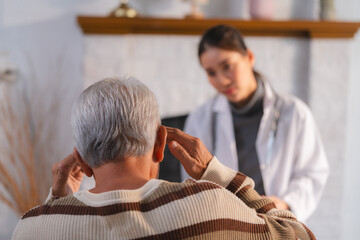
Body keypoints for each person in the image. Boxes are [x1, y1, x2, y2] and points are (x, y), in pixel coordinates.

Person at [12, 77, 315, 240]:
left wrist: (57, 206)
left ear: (83, 160)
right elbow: (300, 235)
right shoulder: (211, 206)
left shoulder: (31, 229)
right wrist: (219, 176)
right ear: (161, 145)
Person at [183, 24, 329, 221]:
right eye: (211, 73)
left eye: (227, 66)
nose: (222, 80)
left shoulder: (294, 112)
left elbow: (312, 173)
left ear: (249, 57)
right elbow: (190, 183)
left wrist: (283, 202)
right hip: (225, 225)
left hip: (278, 222)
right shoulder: (200, 119)